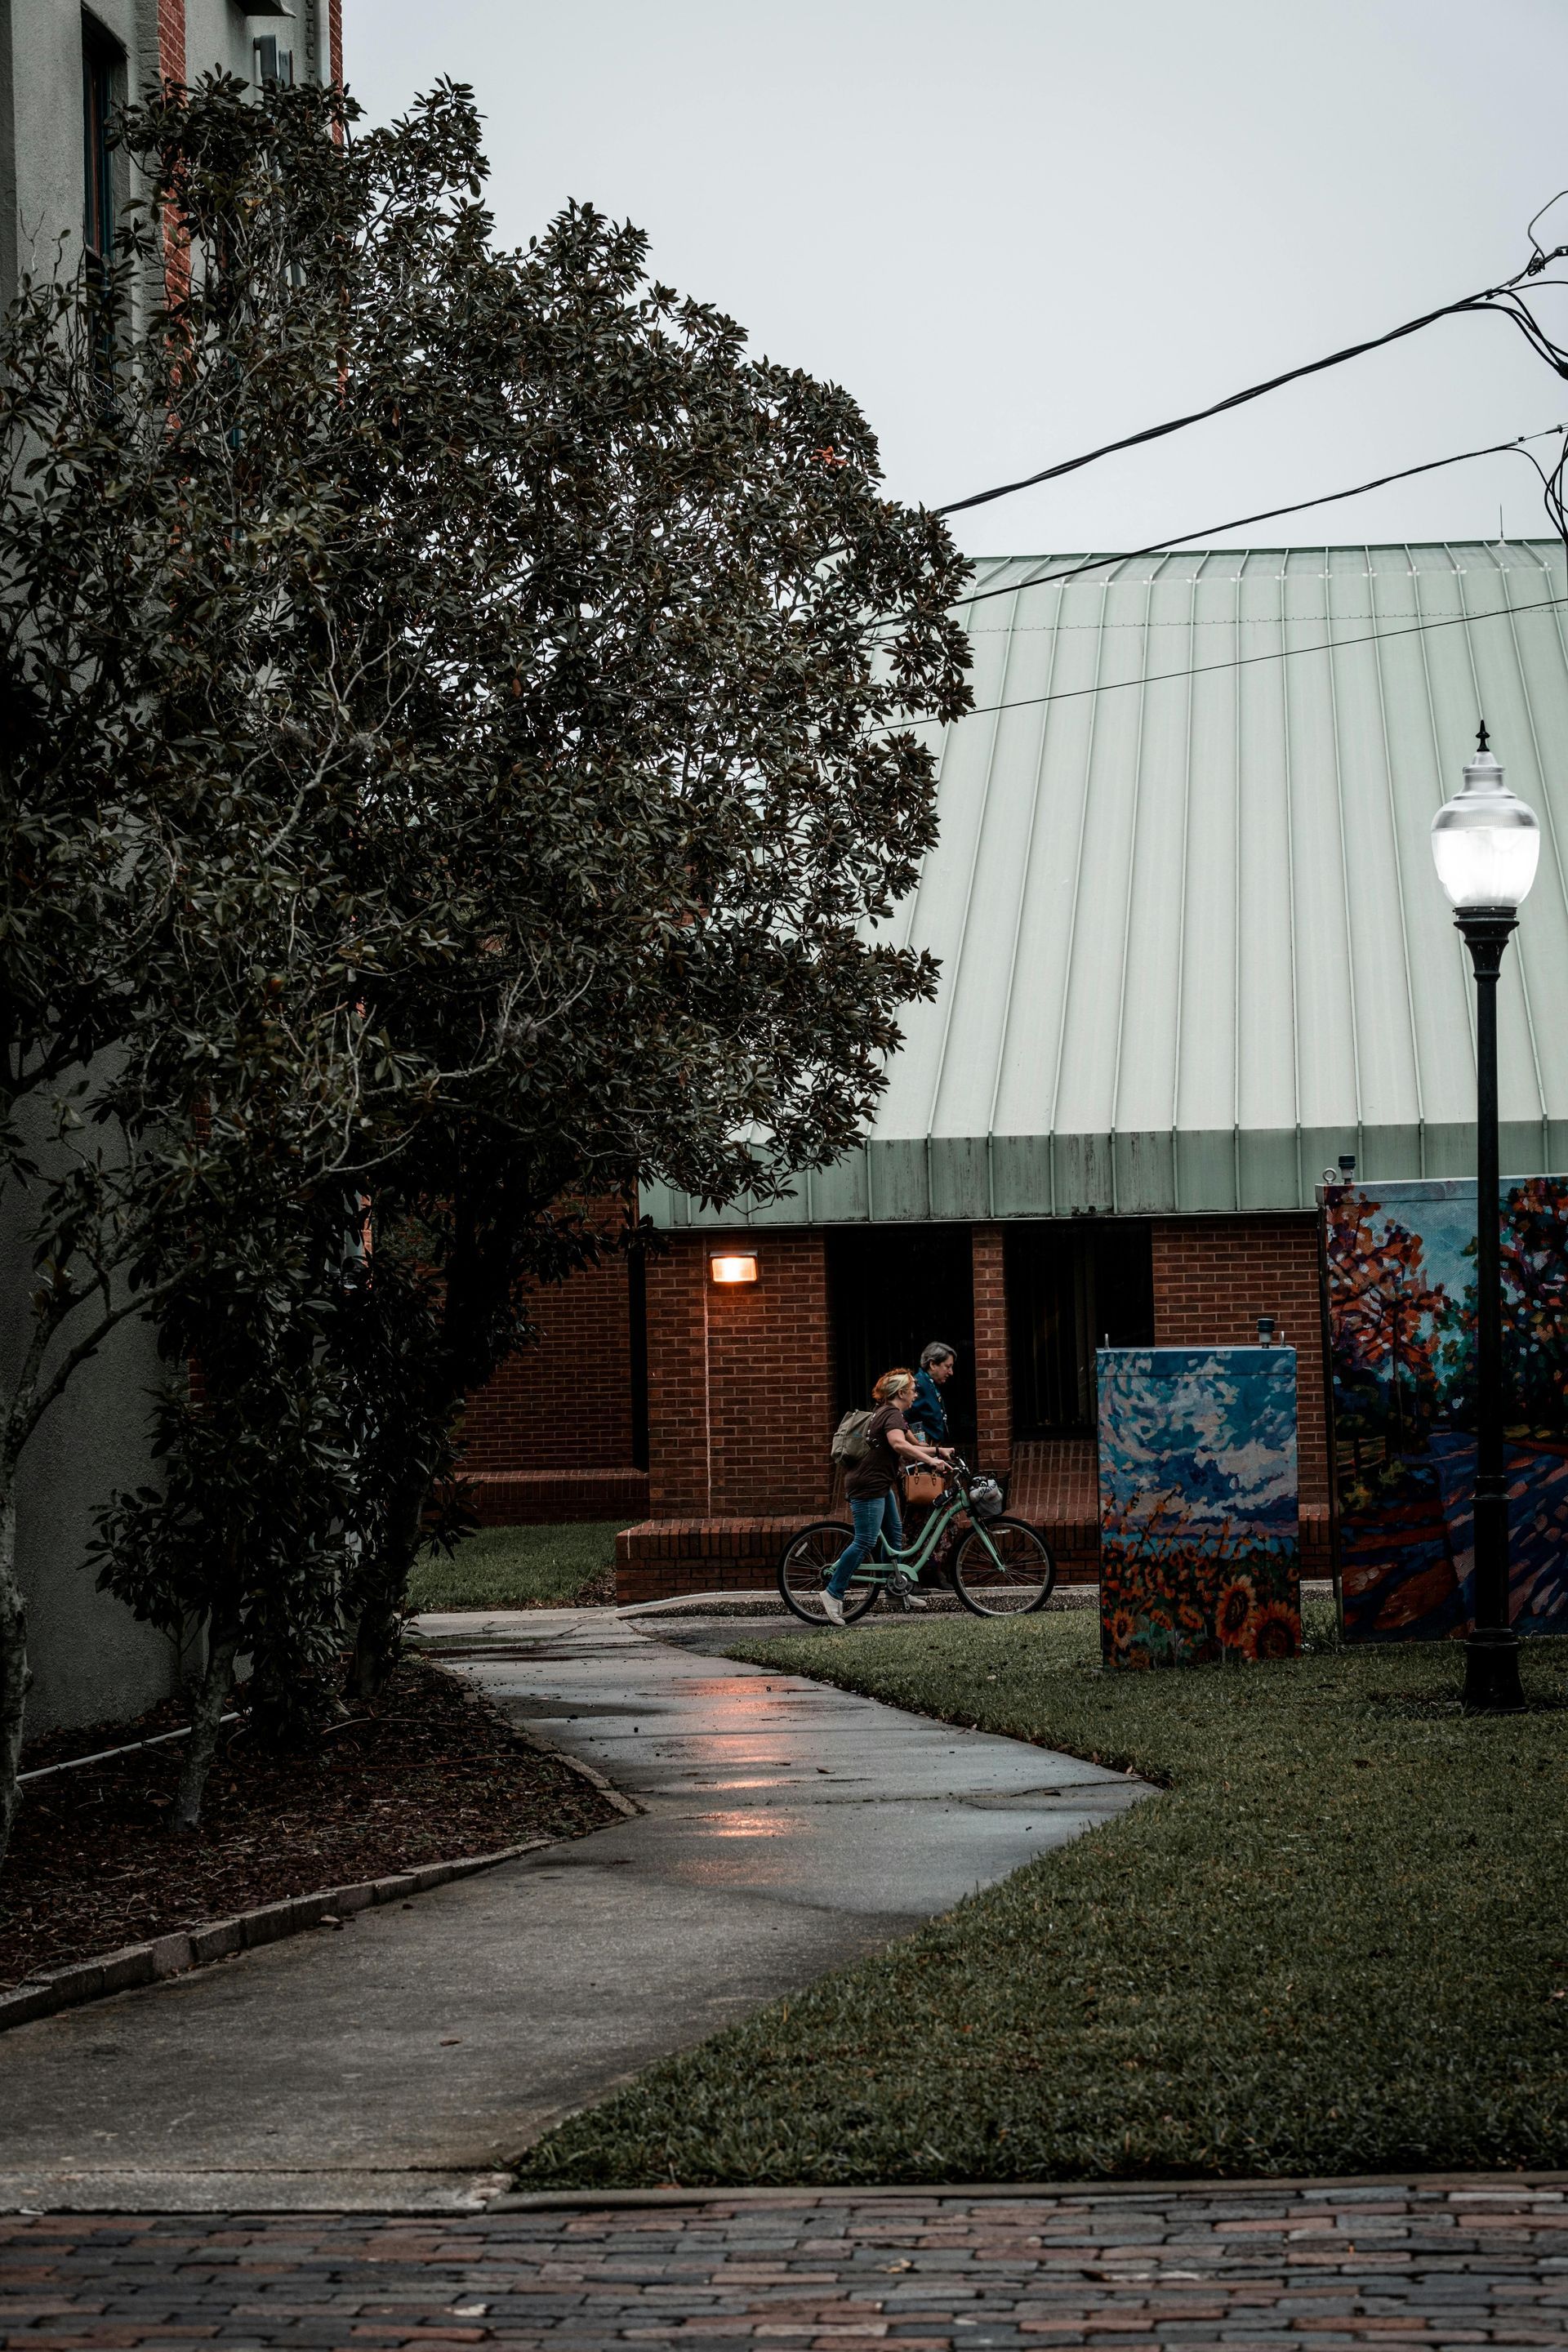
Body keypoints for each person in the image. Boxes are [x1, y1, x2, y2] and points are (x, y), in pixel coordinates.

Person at [822, 1368, 947, 1625]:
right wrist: (932, 1462)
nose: (916, 1394)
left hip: (881, 1485)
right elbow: (899, 1445)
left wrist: (939, 1450)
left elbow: (912, 1443)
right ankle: (833, 1592)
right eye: (913, 1390)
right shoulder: (891, 1415)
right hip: (868, 1485)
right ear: (901, 1392)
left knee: (894, 1534)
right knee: (865, 1541)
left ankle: (894, 1589)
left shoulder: (892, 1415)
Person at [908, 1341, 957, 1450]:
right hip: (921, 1453)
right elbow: (901, 1418)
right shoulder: (918, 1385)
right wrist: (916, 1444)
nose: (951, 1372)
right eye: (948, 1367)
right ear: (933, 1364)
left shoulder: (929, 1384)